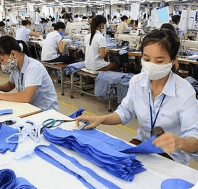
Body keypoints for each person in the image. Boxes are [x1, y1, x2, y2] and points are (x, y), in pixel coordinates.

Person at [76, 28, 198, 166]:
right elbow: (125, 112)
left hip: (172, 155)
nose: (151, 65)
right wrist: (101, 119)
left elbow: (195, 139)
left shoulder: (185, 92)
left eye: (159, 61)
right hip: (142, 145)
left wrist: (178, 141)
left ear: (174, 60)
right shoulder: (137, 81)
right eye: (146, 59)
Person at [0, 36, 59, 111]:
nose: (2, 64)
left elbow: (26, 97)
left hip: (46, 113)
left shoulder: (34, 67)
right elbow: (10, 85)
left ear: (13, 54)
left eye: (1, 60)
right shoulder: (16, 66)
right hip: (30, 108)